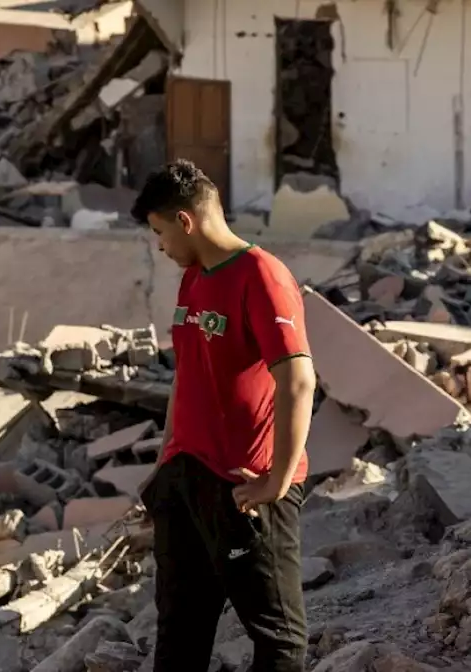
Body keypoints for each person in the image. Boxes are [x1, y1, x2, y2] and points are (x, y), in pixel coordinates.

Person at [132, 160, 316, 671]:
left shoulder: (263, 277)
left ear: (185, 222)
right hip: (187, 479)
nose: (160, 246)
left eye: (160, 231)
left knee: (279, 640)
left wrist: (277, 481)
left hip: (244, 488)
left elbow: (298, 381)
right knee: (179, 631)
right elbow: (188, 375)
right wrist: (164, 465)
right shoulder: (192, 279)